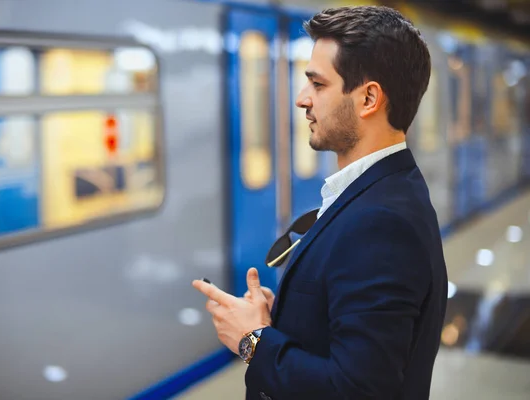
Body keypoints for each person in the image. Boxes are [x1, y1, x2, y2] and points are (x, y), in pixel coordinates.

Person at [192, 5, 448, 399]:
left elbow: (357, 390)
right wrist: (283, 318)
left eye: (318, 84)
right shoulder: (376, 192)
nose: (301, 99)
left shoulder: (382, 222)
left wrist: (252, 340)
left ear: (368, 99)